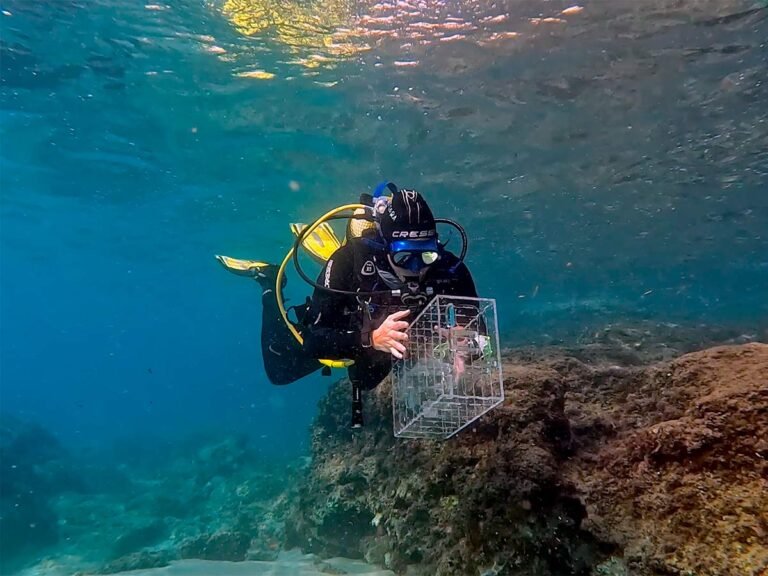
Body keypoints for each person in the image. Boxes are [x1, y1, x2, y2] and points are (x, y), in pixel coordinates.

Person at [216, 183, 479, 425]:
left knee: (369, 378)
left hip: (395, 345)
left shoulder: (450, 268)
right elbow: (314, 340)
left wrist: (466, 347)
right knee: (280, 372)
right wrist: (371, 339)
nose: (416, 268)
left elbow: (484, 340)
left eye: (427, 255)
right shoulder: (349, 260)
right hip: (350, 326)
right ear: (385, 248)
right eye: (404, 256)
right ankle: (269, 280)